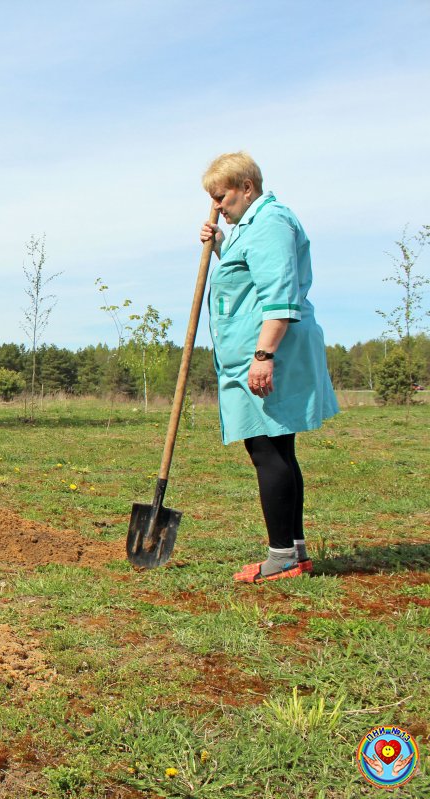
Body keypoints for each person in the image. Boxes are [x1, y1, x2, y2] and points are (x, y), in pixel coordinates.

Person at [199, 152, 338, 583]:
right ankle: (294, 551)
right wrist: (222, 243)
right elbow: (249, 278)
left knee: (266, 449)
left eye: (221, 197)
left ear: (247, 187)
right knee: (278, 447)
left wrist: (263, 356)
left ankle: (280, 557)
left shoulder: (271, 223)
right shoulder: (251, 228)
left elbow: (279, 293)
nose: (218, 205)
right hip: (259, 349)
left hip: (267, 351)